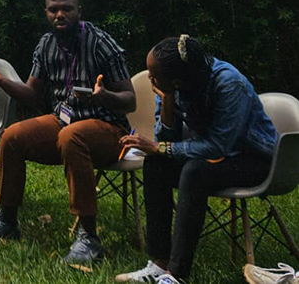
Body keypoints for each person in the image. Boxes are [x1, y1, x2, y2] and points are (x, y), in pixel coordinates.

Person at [0, 0, 137, 266]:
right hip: (64, 122)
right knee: (12, 136)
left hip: (109, 129)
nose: (60, 14)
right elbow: (34, 96)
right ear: (46, 13)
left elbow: (129, 101)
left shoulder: (100, 43)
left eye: (66, 9)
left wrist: (105, 95)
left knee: (72, 135)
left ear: (78, 11)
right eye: (53, 9)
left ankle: (88, 236)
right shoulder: (46, 45)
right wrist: (1, 81)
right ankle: (7, 220)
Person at [116, 35, 278, 284]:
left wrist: (161, 147)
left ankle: (175, 275)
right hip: (215, 158)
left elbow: (217, 146)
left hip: (256, 159)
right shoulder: (171, 86)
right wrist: (167, 101)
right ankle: (159, 264)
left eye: (153, 74)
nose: (149, 79)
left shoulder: (228, 83)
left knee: (194, 172)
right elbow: (166, 137)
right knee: (155, 164)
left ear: (178, 79)